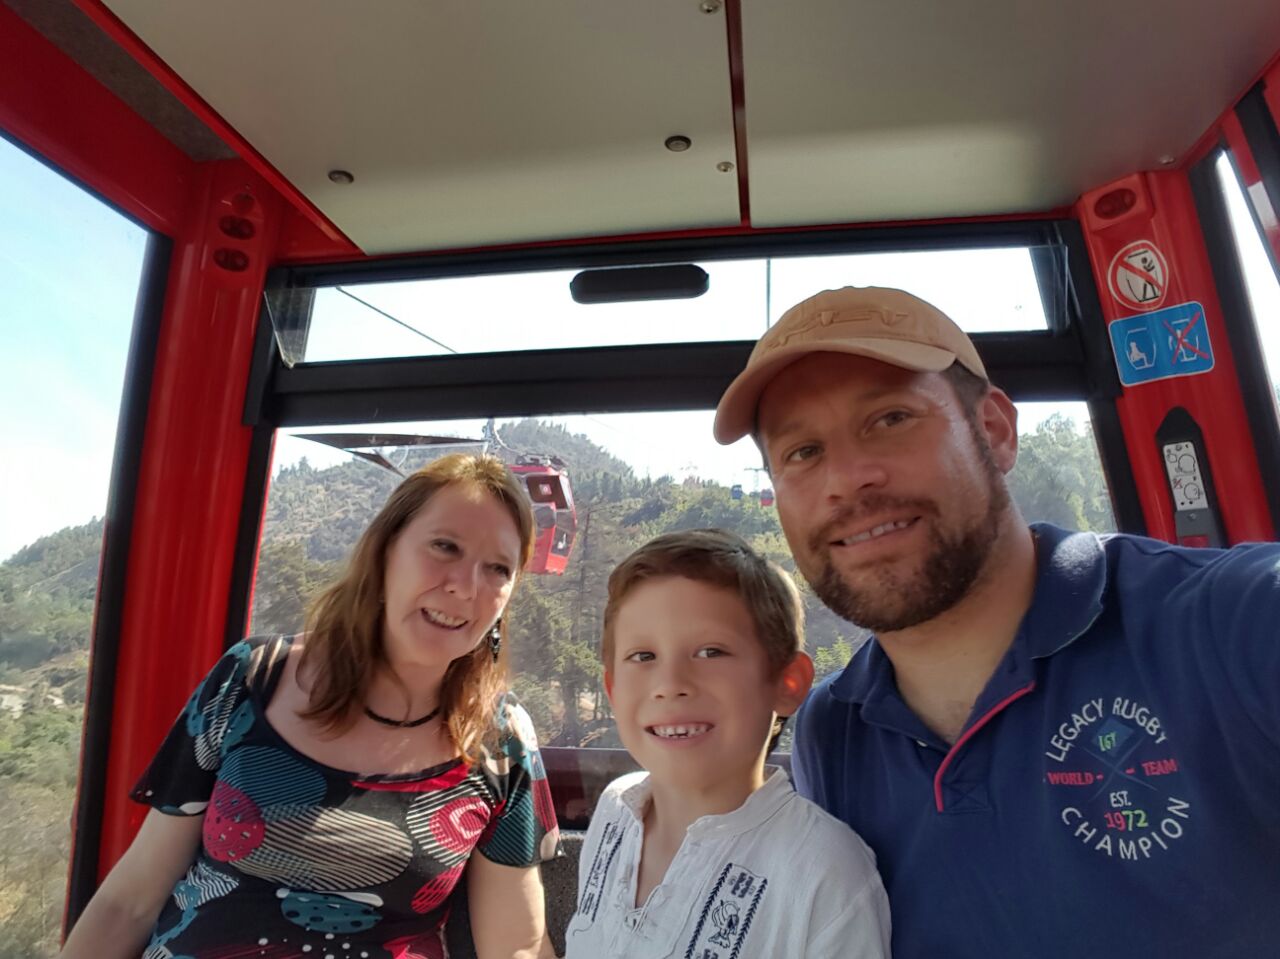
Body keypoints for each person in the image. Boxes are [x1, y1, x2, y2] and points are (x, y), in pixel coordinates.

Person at [712, 285, 1280, 958]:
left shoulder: (1232, 624)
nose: (847, 479)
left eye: (890, 418)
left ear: (995, 431)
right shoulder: (833, 732)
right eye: (802, 452)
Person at [61, 453, 561, 959]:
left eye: (498, 569)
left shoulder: (501, 740)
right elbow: (130, 901)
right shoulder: (251, 679)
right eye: (445, 546)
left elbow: (515, 945)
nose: (466, 587)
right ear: (385, 552)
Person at [565, 529, 890, 958]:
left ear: (787, 683)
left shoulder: (825, 873)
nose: (670, 684)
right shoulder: (615, 812)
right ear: (612, 689)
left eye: (710, 652)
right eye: (643, 656)